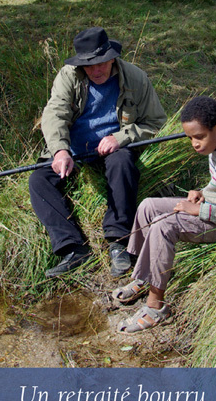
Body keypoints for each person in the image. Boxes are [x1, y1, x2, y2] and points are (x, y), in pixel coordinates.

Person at [113, 95, 216, 333]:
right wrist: (203, 192)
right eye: (190, 138)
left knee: (163, 226)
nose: (195, 143)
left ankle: (155, 306)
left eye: (199, 137)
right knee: (148, 206)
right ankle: (143, 276)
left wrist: (200, 209)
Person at [29, 26, 167, 278]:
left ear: (112, 57)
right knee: (39, 180)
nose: (96, 71)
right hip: (74, 149)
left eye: (101, 63)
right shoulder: (68, 76)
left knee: (123, 163)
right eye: (88, 65)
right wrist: (60, 151)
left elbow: (155, 122)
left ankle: (118, 242)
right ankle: (73, 248)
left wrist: (120, 137)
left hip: (114, 149)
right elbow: (55, 114)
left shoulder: (135, 78)